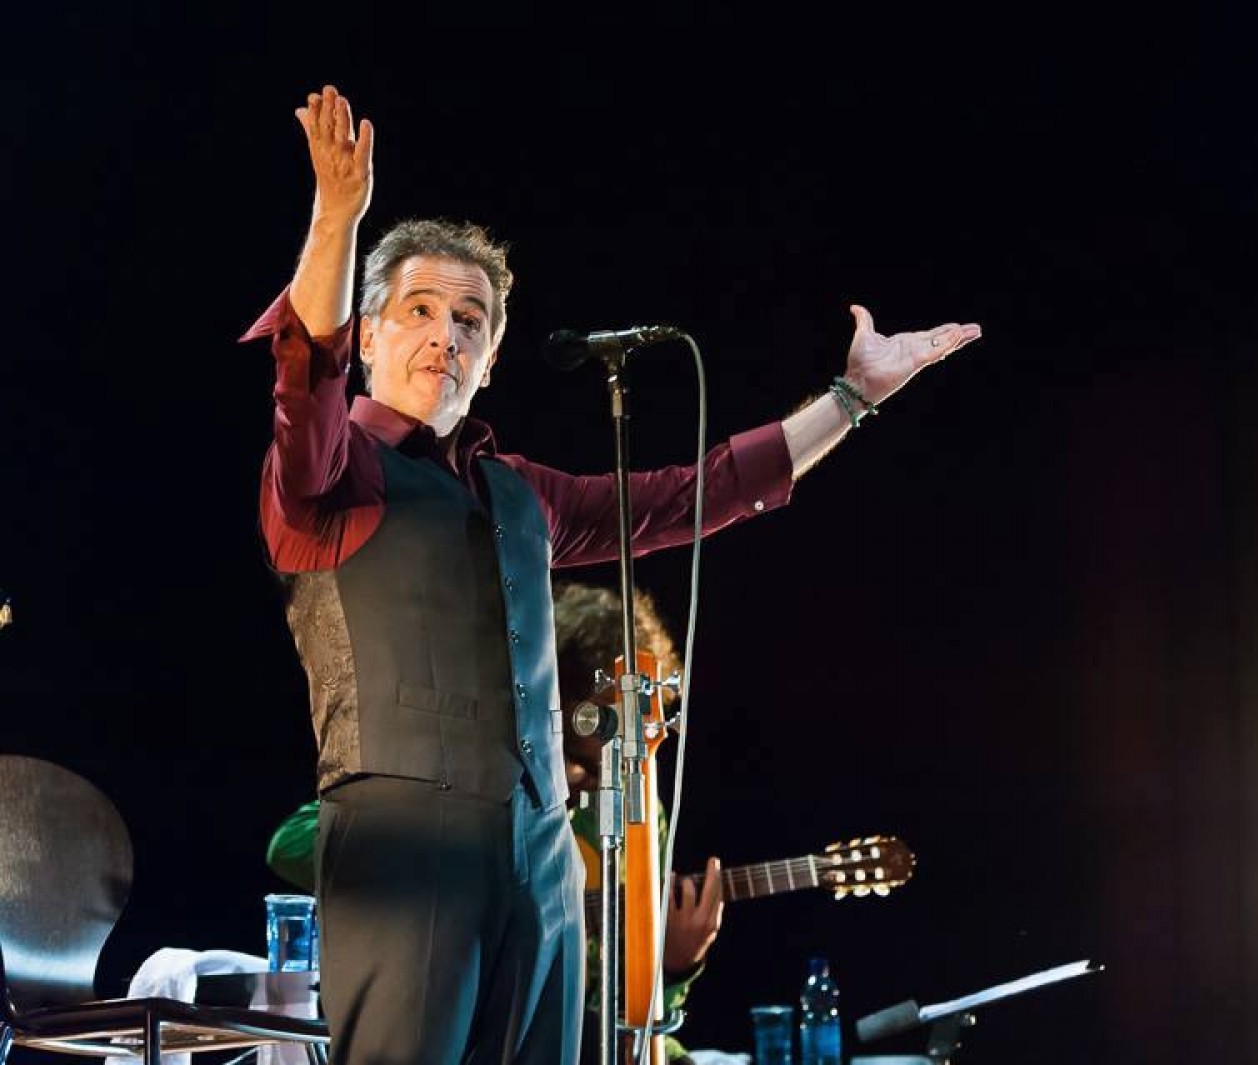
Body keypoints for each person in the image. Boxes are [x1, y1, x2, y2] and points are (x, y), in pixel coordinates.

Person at [240, 82, 980, 1065]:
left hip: (541, 857)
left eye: (471, 319)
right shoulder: (337, 476)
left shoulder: (518, 493)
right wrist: (337, 219)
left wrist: (851, 396)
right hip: (403, 844)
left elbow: (694, 494)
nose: (446, 334)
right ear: (370, 335)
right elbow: (306, 381)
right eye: (419, 310)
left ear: (491, 358)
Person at [263, 580, 720, 1062]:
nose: (595, 776)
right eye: (582, 754)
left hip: (597, 1037)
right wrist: (470, 868)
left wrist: (673, 967)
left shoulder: (637, 806)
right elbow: (290, 845)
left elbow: (640, 1019)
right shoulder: (475, 775)